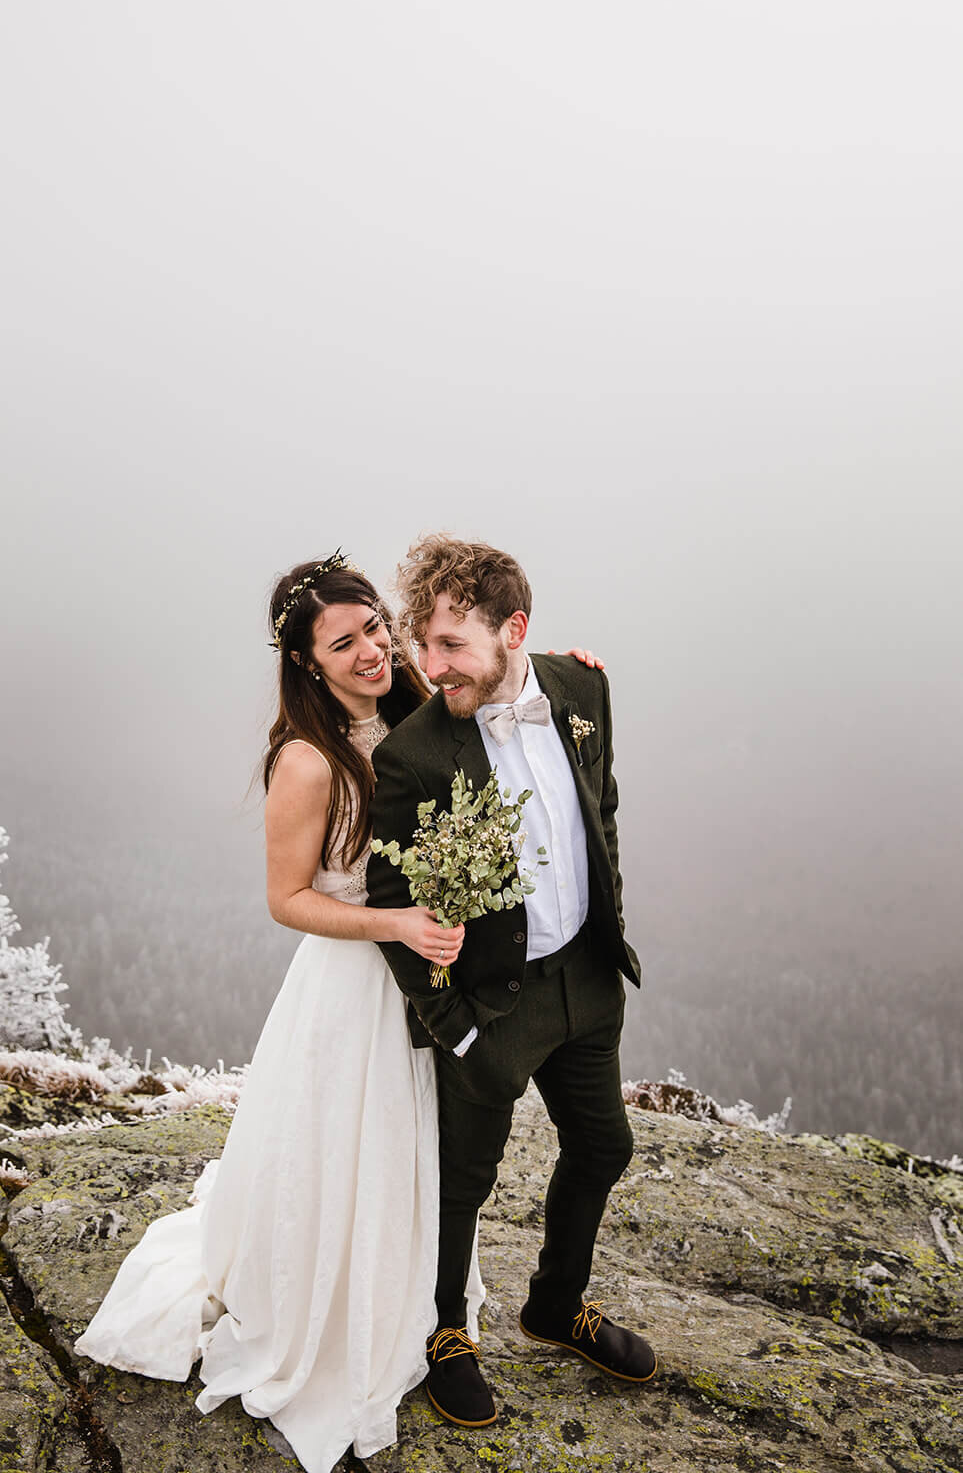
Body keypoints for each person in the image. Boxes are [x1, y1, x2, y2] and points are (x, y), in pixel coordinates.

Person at [75, 549, 601, 1472]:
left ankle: (421, 1306)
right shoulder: (308, 761)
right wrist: (393, 919)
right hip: (351, 991)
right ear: (308, 664)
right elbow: (286, 898)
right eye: (343, 642)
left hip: (433, 985)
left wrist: (554, 664)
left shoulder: (420, 715)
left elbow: (493, 682)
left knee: (420, 1157)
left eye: (374, 629)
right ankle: (337, 1318)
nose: (371, 652)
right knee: (346, 1154)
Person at [366, 535, 656, 1431]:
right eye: (422, 644)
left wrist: (607, 934)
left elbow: (600, 807)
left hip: (586, 981)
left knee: (604, 1148)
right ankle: (447, 1332)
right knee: (461, 1182)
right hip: (490, 1007)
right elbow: (392, 901)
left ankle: (553, 1305)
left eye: (450, 645)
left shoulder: (582, 687)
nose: (428, 665)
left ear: (513, 630)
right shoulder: (413, 754)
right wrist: (449, 1023)